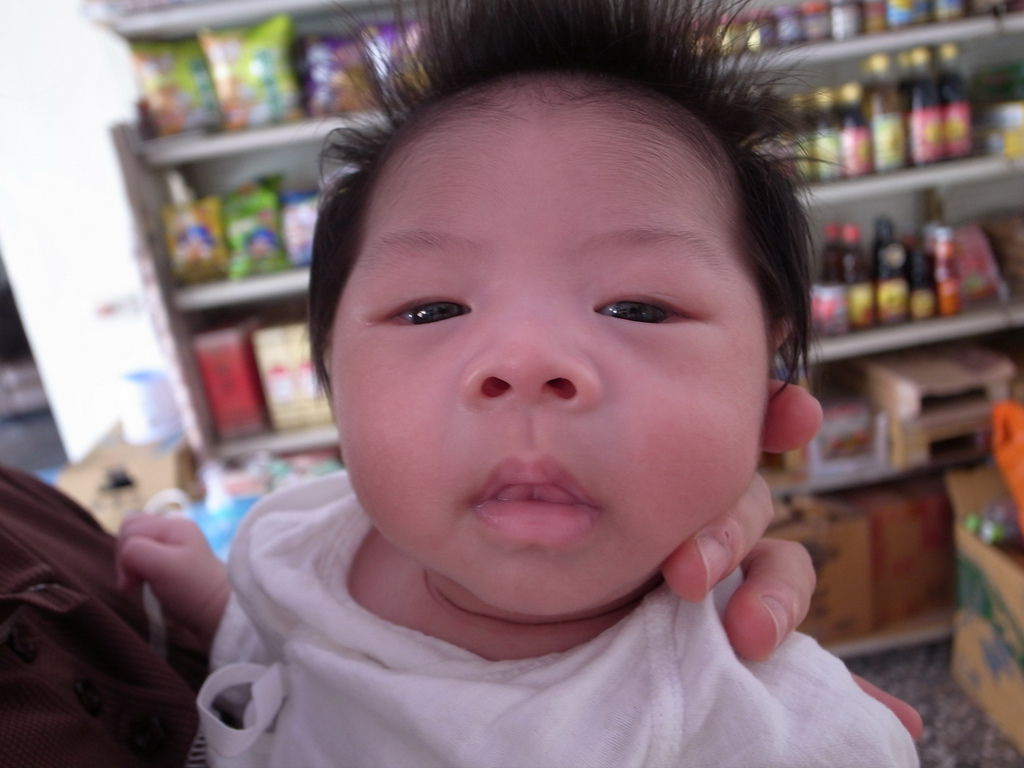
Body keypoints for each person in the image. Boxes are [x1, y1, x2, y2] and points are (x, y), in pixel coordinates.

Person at [116, 0, 921, 765]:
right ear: (332, 367)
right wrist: (224, 615)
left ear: (769, 378)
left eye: (638, 308)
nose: (526, 360)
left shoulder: (752, 729)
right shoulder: (307, 542)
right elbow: (297, 654)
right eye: (431, 310)